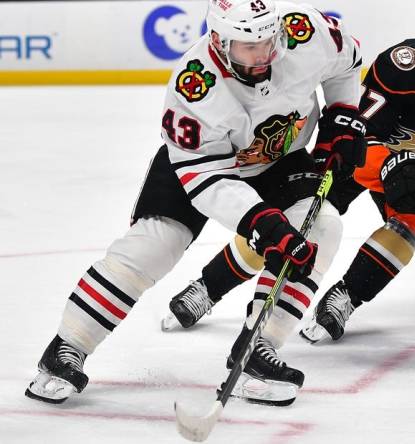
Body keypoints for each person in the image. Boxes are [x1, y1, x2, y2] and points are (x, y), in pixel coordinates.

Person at [25, 0, 365, 406]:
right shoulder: (195, 85)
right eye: (247, 46)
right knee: (154, 245)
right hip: (205, 167)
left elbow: (348, 63)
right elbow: (206, 178)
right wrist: (260, 221)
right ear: (219, 41)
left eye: (268, 41)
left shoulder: (304, 30)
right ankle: (67, 347)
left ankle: (260, 348)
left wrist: (343, 115)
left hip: (280, 158)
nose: (262, 55)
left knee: (322, 226)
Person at [161, 0, 415, 345]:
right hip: (364, 159)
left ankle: (346, 297)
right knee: (296, 219)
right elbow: (357, 130)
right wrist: (391, 163)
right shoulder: (401, 66)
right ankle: (209, 286)